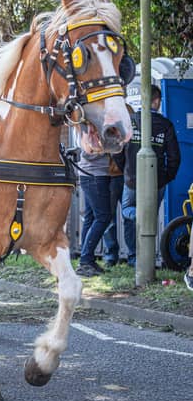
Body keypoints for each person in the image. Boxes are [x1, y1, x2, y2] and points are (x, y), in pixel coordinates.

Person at [114, 86, 181, 267]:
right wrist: (166, 177)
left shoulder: (129, 121)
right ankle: (148, 256)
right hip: (157, 181)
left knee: (127, 212)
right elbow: (175, 157)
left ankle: (134, 257)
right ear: (157, 101)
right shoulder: (165, 125)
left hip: (132, 180)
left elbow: (117, 152)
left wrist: (127, 169)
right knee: (150, 217)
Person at [75, 152, 114, 277]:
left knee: (90, 217)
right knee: (103, 217)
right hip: (95, 175)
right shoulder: (92, 131)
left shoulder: (90, 131)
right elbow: (89, 153)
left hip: (92, 174)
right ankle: (85, 261)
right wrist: (113, 147)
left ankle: (87, 260)